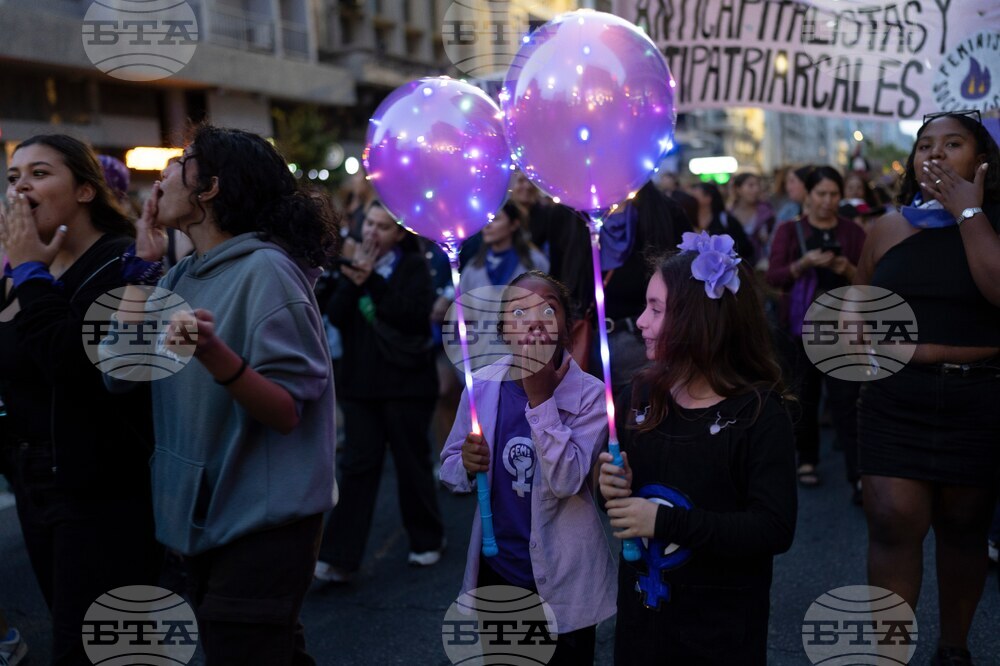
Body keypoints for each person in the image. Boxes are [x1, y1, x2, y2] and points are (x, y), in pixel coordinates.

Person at [121, 124, 339, 665]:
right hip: (203, 519)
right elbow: (119, 371)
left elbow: (287, 410)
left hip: (264, 525)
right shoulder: (180, 275)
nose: (163, 176)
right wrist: (139, 270)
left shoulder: (267, 271)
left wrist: (216, 355)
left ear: (210, 187)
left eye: (180, 162)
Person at [0, 134, 161, 664]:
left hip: (98, 486)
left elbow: (74, 364)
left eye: (39, 173)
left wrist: (28, 273)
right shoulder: (29, 267)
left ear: (87, 190)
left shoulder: (120, 264)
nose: (21, 185)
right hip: (35, 479)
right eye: (13, 176)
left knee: (89, 648)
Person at [599, 233, 796, 664]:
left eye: (656, 309)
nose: (640, 321)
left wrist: (667, 522)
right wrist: (611, 485)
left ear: (698, 318)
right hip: (643, 622)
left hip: (719, 630)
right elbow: (627, 502)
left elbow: (773, 528)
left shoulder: (759, 415)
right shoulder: (642, 395)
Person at [854, 110, 1000, 665]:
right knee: (892, 521)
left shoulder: (993, 223)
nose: (934, 155)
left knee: (964, 527)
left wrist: (968, 211)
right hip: (897, 397)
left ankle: (954, 646)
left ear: (982, 158)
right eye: (924, 146)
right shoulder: (889, 227)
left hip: (980, 397)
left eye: (952, 144)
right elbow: (860, 295)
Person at [440, 270, 617, 665]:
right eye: (519, 311)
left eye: (548, 309)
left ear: (566, 329)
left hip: (564, 579)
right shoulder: (482, 385)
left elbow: (567, 479)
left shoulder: (589, 395)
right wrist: (466, 465)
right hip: (499, 572)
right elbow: (450, 466)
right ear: (504, 329)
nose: (534, 320)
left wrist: (541, 401)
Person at [317, 200, 445, 582]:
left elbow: (410, 317)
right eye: (369, 224)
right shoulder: (349, 261)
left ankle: (427, 539)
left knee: (411, 462)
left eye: (383, 227)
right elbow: (336, 315)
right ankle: (340, 555)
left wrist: (371, 280)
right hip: (360, 383)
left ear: (399, 233)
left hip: (406, 384)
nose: (372, 232)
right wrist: (352, 282)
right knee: (358, 466)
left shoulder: (413, 266)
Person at [766, 166, 866, 494]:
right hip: (800, 328)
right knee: (804, 397)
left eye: (834, 194)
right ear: (808, 195)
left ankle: (858, 473)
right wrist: (804, 263)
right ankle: (806, 458)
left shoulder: (852, 231)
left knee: (847, 401)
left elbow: (871, 276)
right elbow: (774, 277)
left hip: (844, 329)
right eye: (821, 194)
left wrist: (849, 268)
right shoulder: (789, 230)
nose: (827, 201)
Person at [458, 201, 548, 292]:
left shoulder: (536, 262)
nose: (487, 226)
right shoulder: (473, 267)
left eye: (495, 219)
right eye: (485, 220)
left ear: (514, 224)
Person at [689, 181, 754, 260]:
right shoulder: (688, 221)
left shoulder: (726, 221)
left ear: (708, 198)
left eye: (693, 196)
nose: (689, 199)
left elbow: (744, 248)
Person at [728, 173, 776, 268]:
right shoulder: (729, 213)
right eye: (751, 185)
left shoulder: (766, 211)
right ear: (738, 189)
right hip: (735, 266)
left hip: (761, 267)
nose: (756, 189)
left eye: (758, 185)